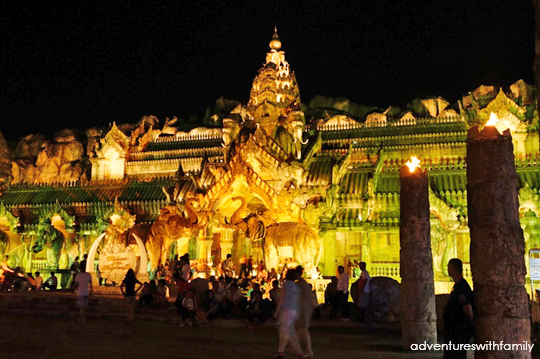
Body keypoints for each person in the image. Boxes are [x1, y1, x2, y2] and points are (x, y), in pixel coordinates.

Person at [443, 258, 473, 359]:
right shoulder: (457, 286)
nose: (447, 269)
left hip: (458, 331)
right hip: (453, 330)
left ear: (454, 268)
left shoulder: (462, 287)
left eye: (449, 267)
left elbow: (467, 308)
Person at [275, 268, 303, 359]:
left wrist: (277, 310)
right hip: (294, 310)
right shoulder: (296, 286)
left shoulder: (286, 285)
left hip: (287, 309)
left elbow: (282, 297)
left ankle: (298, 352)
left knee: (287, 331)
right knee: (285, 331)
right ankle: (281, 352)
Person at [295, 266, 317, 357]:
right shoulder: (301, 283)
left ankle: (308, 350)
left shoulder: (301, 284)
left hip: (303, 309)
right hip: (303, 309)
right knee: (300, 330)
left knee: (302, 329)